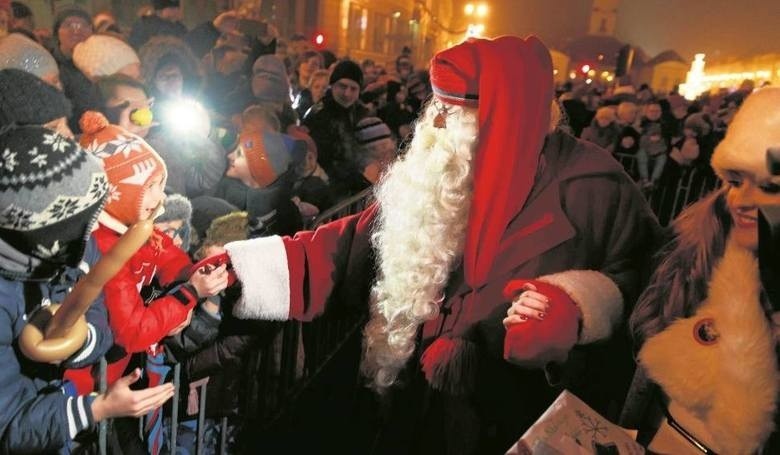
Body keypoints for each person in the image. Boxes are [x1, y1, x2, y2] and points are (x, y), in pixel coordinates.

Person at [217, 36, 659, 454]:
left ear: (507, 122)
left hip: (512, 423)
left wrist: (579, 309)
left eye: (454, 114)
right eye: (437, 111)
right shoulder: (437, 173)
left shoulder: (595, 189)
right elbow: (348, 247)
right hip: (412, 412)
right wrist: (235, 273)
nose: (437, 126)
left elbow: (647, 286)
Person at [621, 87, 780, 454]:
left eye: (768, 187)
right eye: (735, 181)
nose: (740, 200)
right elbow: (646, 337)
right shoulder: (698, 241)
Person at [0, 125, 175, 453]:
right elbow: (8, 426)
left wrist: (81, 341)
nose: (93, 231)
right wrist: (98, 408)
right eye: (83, 222)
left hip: (55, 414)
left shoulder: (77, 245)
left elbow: (96, 312)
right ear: (46, 234)